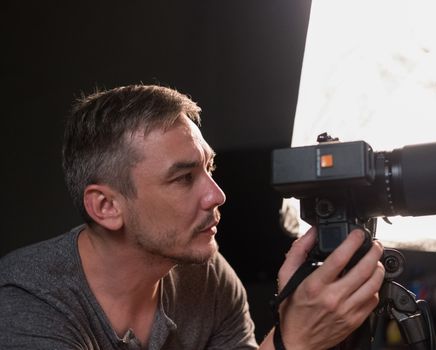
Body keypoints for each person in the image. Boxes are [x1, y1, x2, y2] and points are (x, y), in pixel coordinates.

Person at [0, 84, 385, 349]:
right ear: (106, 207)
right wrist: (293, 340)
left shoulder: (206, 276)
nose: (216, 195)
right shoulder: (27, 304)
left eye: (209, 169)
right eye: (184, 178)